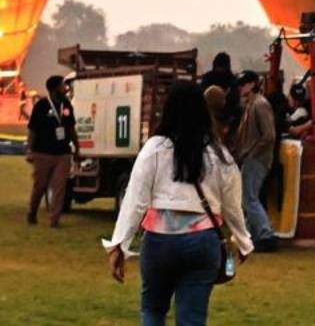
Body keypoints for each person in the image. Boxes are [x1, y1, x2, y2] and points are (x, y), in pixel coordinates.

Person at [105, 81, 253, 326]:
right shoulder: (218, 154)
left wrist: (119, 244)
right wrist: (243, 240)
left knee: (152, 310)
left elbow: (135, 201)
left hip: (159, 242)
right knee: (192, 319)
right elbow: (232, 204)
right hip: (202, 242)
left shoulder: (154, 148)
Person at [232, 71, 278, 253]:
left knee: (249, 198)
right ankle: (255, 235)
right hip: (254, 157)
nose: (240, 87)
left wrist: (252, 152)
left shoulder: (259, 104)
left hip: (256, 159)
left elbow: (269, 135)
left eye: (243, 84)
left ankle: (265, 234)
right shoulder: (253, 104)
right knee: (249, 198)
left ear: (252, 84)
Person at [27, 75, 79, 227]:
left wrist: (77, 146)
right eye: (62, 85)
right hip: (43, 152)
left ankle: (54, 219)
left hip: (63, 153)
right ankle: (32, 211)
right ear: (54, 88)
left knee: (59, 186)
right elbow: (32, 130)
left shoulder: (66, 104)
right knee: (41, 185)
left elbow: (71, 128)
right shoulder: (41, 106)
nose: (65, 88)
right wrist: (30, 150)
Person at [199, 52, 241, 132]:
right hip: (208, 114)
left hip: (227, 116)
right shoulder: (208, 78)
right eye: (218, 67)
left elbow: (235, 100)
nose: (220, 70)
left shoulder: (232, 80)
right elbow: (202, 95)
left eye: (222, 67)